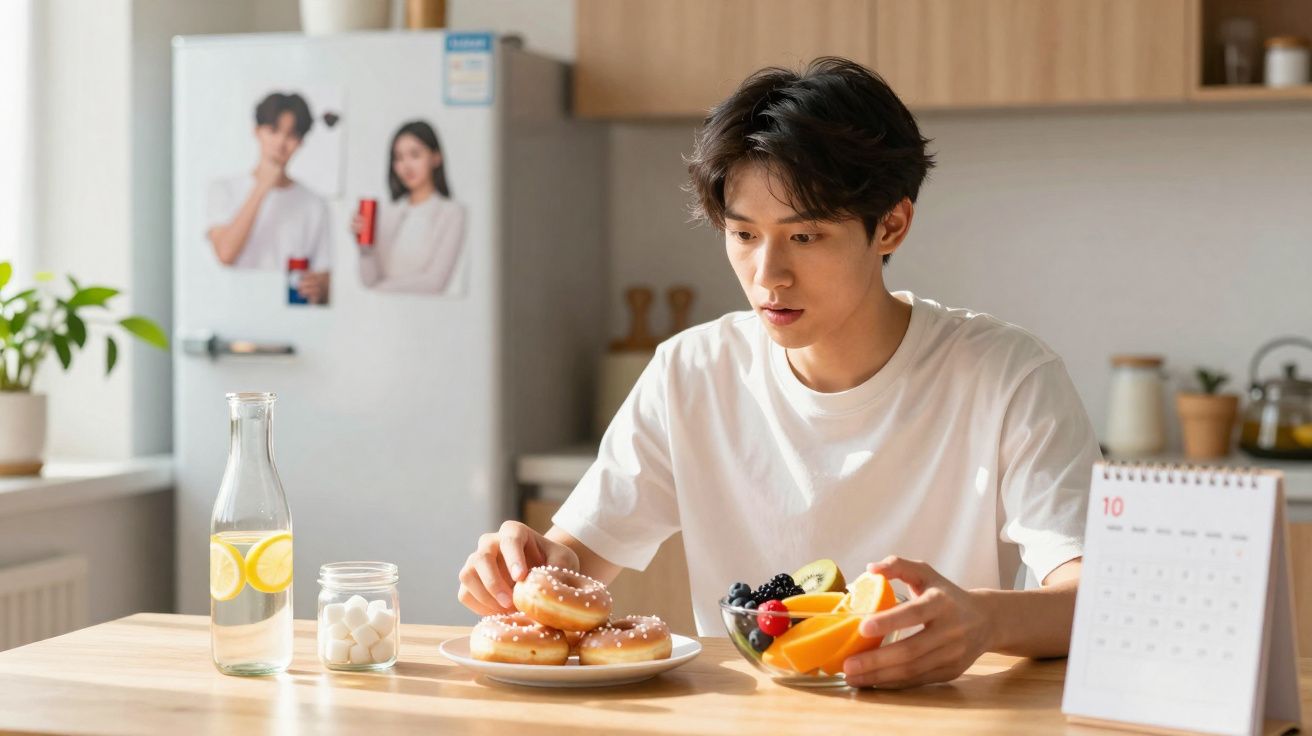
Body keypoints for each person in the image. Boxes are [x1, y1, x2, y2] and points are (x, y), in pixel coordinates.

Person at [457, 58, 1101, 689]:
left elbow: (1096, 595)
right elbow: (577, 558)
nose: (768, 275)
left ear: (892, 225)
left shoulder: (1009, 376)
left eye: (805, 237)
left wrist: (986, 621)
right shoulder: (691, 373)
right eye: (743, 235)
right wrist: (527, 564)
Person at [207, 91, 332, 304]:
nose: (281, 143)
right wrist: (262, 187)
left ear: (300, 142)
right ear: (257, 131)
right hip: (235, 308)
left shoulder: (315, 204)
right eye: (273, 131)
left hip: (291, 313)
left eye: (291, 135)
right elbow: (225, 254)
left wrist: (318, 286)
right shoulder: (224, 189)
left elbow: (324, 275)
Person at [354, 121, 465, 294]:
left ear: (436, 157)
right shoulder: (388, 213)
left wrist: (379, 290)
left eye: (415, 155)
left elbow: (435, 283)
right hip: (384, 307)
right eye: (399, 158)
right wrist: (365, 249)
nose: (406, 166)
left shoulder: (451, 213)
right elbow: (369, 281)